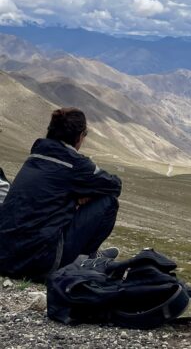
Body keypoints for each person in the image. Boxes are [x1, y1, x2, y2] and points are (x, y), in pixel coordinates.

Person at [0, 107, 122, 281]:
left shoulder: (37, 155)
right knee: (107, 201)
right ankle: (85, 261)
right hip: (40, 263)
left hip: (6, 259)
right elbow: (115, 185)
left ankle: (88, 255)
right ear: (80, 137)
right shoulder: (75, 164)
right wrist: (82, 194)